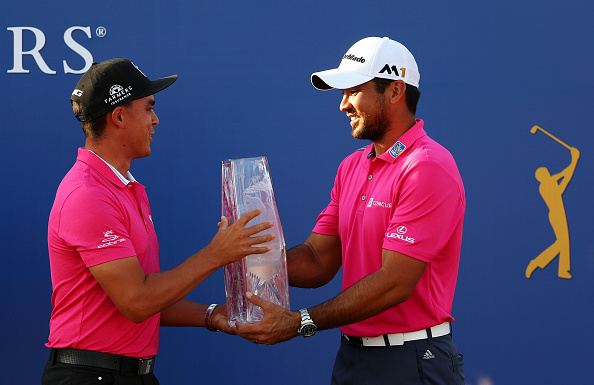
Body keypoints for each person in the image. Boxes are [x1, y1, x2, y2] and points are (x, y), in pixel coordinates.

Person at [235, 37, 466, 385]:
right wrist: (246, 257)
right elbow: (317, 258)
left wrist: (301, 321)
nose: (343, 105)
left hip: (413, 360)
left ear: (394, 91)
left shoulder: (428, 166)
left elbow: (394, 282)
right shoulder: (353, 166)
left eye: (353, 91)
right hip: (353, 357)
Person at [42, 58, 275, 384]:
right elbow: (137, 302)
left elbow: (145, 297)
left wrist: (211, 315)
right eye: (149, 108)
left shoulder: (124, 188)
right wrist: (216, 255)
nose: (156, 119)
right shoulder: (88, 194)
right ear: (119, 117)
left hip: (125, 374)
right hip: (88, 375)